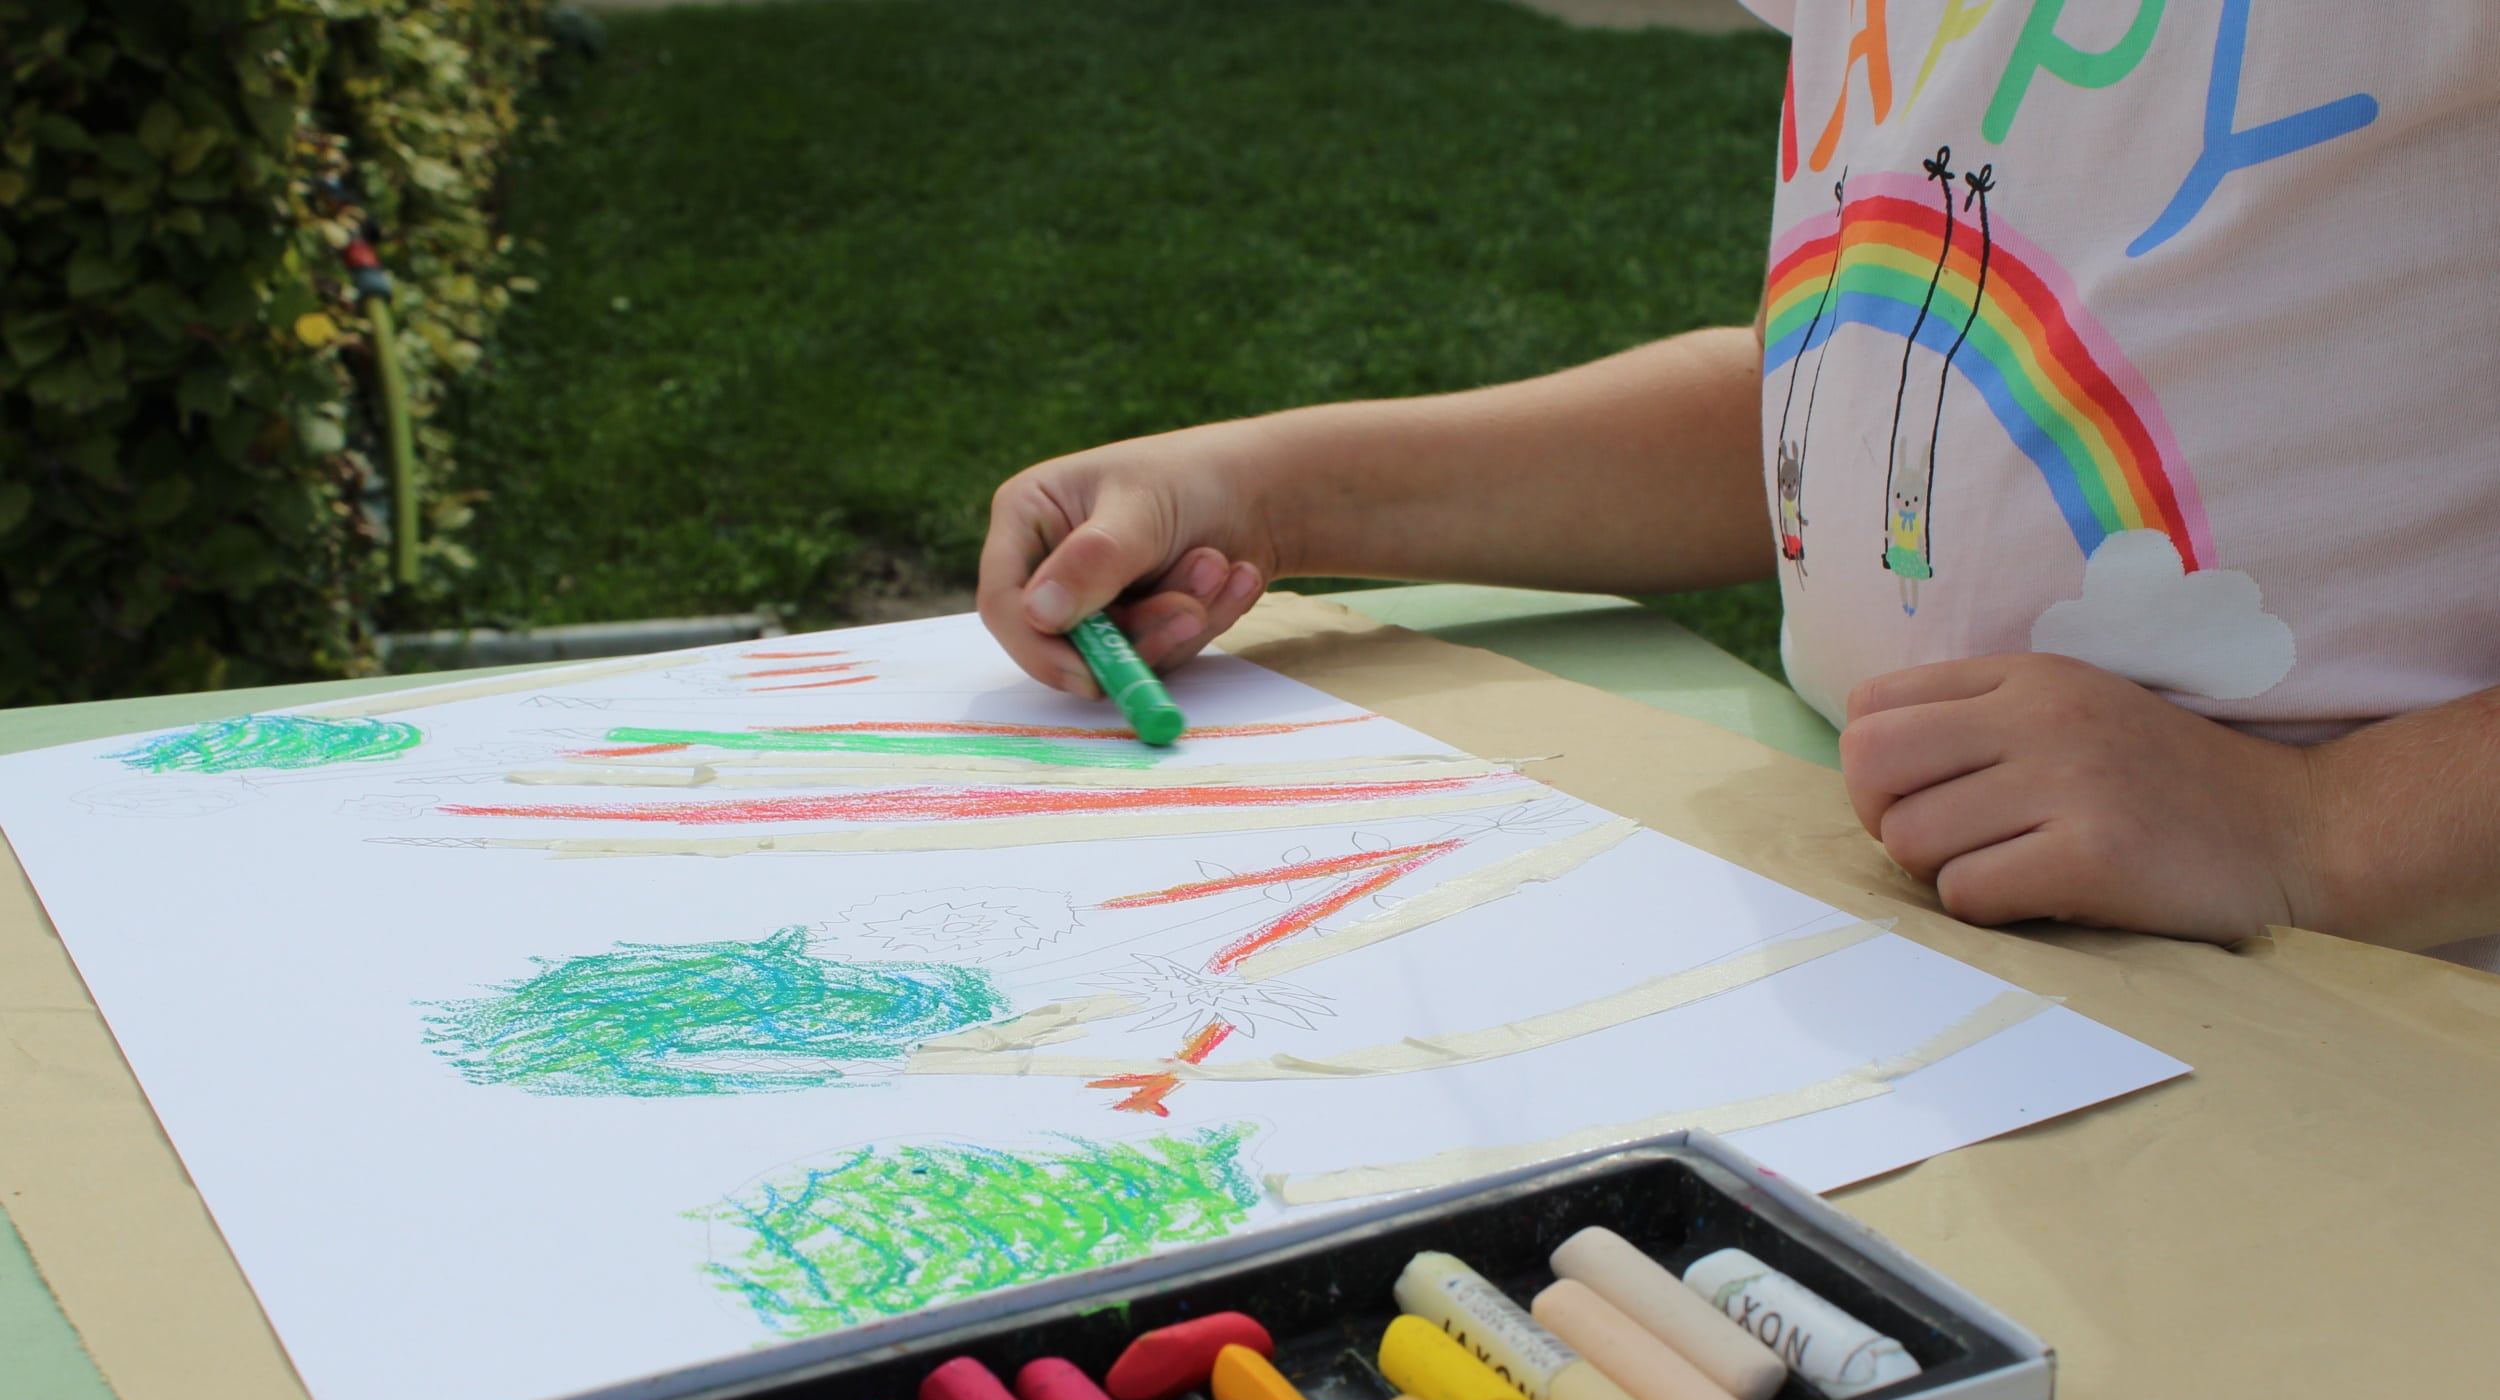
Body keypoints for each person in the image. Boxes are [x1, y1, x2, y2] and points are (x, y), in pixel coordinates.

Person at [975, 1, 2500, 968]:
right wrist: (1271, 491)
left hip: (2380, 1033)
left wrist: (2320, 830)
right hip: (1951, 969)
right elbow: (1835, 400)